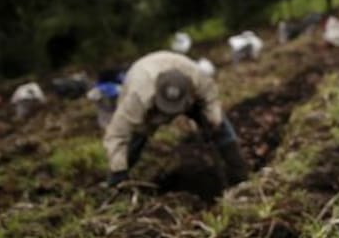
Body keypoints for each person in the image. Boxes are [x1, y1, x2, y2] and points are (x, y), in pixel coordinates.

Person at [102, 50, 249, 188]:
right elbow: (117, 134)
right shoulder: (138, 97)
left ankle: (240, 172)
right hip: (144, 85)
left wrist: (213, 121)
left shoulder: (198, 78)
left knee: (221, 127)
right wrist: (118, 168)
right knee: (136, 138)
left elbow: (211, 100)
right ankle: (117, 183)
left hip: (187, 93)